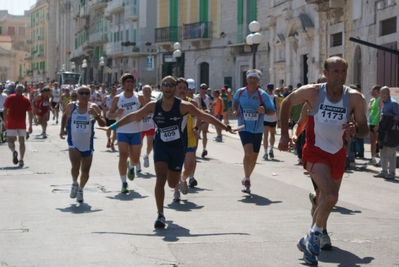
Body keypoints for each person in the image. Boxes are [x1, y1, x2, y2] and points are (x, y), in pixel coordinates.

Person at [97, 75, 238, 228]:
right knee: (160, 177)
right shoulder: (153, 105)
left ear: (175, 88)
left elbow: (204, 116)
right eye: (165, 84)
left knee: (171, 183)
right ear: (162, 87)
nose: (168, 87)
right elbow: (134, 116)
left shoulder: (184, 106)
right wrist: (112, 127)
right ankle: (160, 214)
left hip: (177, 148)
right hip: (161, 147)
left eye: (171, 85)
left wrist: (227, 128)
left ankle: (177, 183)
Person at [278, 56, 368, 265]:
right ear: (325, 73)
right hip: (315, 152)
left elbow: (365, 129)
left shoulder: (354, 98)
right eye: (335, 71)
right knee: (331, 194)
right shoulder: (313, 92)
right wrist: (285, 135)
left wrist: (357, 129)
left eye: (343, 71)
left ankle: (309, 236)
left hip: (337, 154)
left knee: (328, 198)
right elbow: (286, 103)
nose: (340, 76)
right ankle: (314, 244)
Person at [232, 69, 276, 194]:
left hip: (257, 129)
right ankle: (246, 180)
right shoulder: (240, 92)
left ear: (258, 81)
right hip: (243, 127)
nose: (252, 81)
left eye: (254, 79)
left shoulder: (263, 95)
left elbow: (271, 111)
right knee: (248, 152)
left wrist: (264, 110)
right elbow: (235, 102)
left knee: (254, 157)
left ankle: (247, 177)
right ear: (247, 80)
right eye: (250, 78)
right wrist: (235, 111)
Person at [60, 85, 105, 203]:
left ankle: (80, 189)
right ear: (77, 94)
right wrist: (62, 129)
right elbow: (65, 116)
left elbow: (102, 124)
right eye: (82, 93)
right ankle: (74, 183)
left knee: (85, 171)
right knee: (75, 166)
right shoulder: (71, 106)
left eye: (87, 93)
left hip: (87, 144)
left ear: (90, 95)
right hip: (73, 142)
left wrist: (95, 115)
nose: (84, 95)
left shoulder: (93, 107)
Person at [107, 73, 145, 193]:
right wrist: (117, 114)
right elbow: (109, 115)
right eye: (127, 82)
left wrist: (141, 116)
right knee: (122, 155)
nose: (130, 83)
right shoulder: (118, 98)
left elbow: (147, 111)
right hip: (122, 131)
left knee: (135, 159)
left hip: (136, 131)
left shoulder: (139, 97)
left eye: (131, 81)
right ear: (123, 85)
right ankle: (124, 183)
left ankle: (131, 166)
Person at [173, 77, 199, 201]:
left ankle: (182, 180)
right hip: (174, 140)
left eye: (184, 88)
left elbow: (200, 116)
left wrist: (197, 127)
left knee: (189, 167)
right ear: (175, 89)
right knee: (176, 166)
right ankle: (176, 191)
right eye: (180, 88)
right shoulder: (170, 103)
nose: (182, 90)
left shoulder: (192, 103)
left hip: (189, 138)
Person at [3, 84, 33, 167]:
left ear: (16, 90)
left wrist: (6, 121)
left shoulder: (10, 97)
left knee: (10, 141)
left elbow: (5, 110)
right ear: (23, 91)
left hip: (12, 122)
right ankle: (21, 159)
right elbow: (30, 113)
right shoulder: (26, 99)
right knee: (22, 142)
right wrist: (30, 125)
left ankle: (13, 151)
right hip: (21, 123)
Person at [373, 86, 399, 179]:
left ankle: (391, 173)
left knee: (391, 152)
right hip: (383, 131)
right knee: (382, 150)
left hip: (391, 132)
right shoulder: (383, 103)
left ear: (384, 94)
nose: (379, 94)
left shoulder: (393, 103)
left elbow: (398, 116)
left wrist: (390, 121)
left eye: (380, 93)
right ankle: (383, 171)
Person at [138, 84, 156, 170]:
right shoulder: (139, 102)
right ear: (142, 92)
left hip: (150, 126)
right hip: (139, 127)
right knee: (139, 145)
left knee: (150, 145)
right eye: (145, 91)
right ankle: (137, 161)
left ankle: (146, 155)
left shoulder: (154, 102)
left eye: (149, 91)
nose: (147, 92)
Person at [262, 83, 279, 160]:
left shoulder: (264, 96)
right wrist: (278, 118)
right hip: (273, 117)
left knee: (265, 136)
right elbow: (278, 108)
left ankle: (265, 153)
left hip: (265, 117)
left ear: (267, 88)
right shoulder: (276, 97)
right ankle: (271, 149)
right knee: (272, 134)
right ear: (273, 89)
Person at [196, 83, 212, 159]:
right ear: (200, 89)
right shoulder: (196, 97)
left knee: (204, 133)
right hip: (197, 117)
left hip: (204, 117)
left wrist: (207, 110)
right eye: (202, 88)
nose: (204, 90)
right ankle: (194, 150)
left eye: (205, 88)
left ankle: (204, 149)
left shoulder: (208, 98)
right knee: (196, 134)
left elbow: (208, 107)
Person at [368, 85, 383, 165]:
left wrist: (378, 124)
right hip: (372, 124)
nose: (371, 91)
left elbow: (381, 113)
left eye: (372, 90)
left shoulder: (380, 100)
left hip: (377, 125)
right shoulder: (374, 100)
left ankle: (382, 160)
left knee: (379, 142)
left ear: (377, 91)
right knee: (372, 142)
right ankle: (373, 158)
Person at [102, 85, 117, 151]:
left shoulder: (118, 98)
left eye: (114, 90)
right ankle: (108, 139)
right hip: (108, 116)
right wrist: (104, 108)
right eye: (112, 90)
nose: (113, 92)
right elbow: (101, 104)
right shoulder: (106, 97)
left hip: (116, 116)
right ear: (110, 91)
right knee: (108, 130)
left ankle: (112, 143)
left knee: (115, 131)